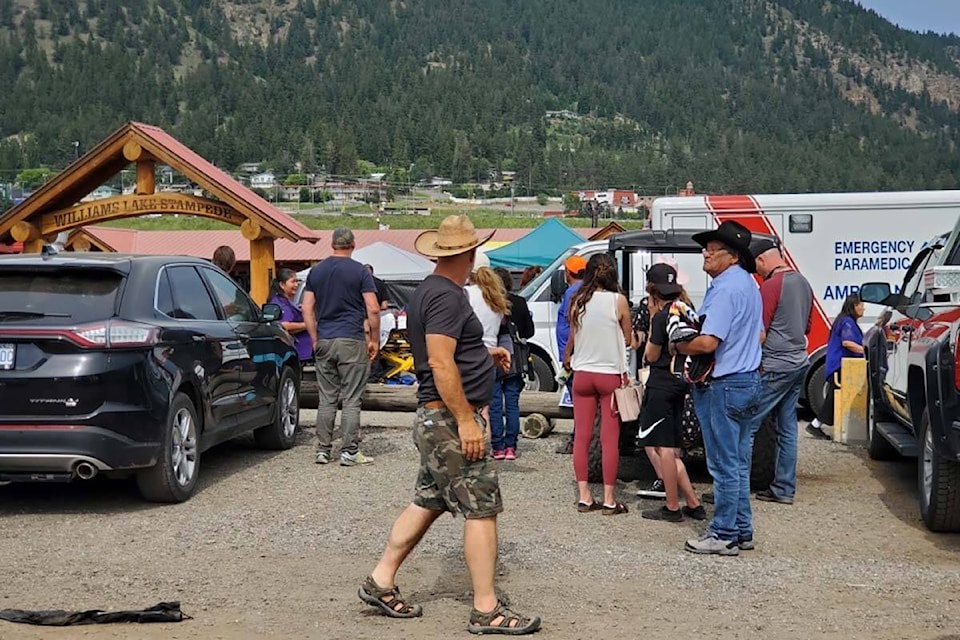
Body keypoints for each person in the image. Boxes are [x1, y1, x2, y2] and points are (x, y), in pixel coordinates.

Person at [359, 215, 541, 635]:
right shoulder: (445, 296)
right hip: (448, 417)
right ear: (469, 252)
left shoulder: (438, 291)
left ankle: (381, 579)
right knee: (482, 510)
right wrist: (467, 420)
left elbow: (449, 351)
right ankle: (486, 608)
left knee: (428, 500)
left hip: (437, 416)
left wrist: (483, 354)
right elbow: (440, 361)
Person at [677, 221, 763, 556]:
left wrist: (679, 346)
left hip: (724, 383)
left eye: (713, 250)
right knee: (738, 461)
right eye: (706, 248)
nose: (706, 254)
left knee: (723, 464)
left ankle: (724, 532)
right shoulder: (747, 284)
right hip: (746, 379)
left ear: (733, 257)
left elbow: (709, 342)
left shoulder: (726, 289)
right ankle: (741, 529)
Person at [302, 227, 381, 467]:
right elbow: (374, 308)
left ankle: (323, 450)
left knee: (326, 398)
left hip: (325, 338)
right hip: (351, 338)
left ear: (332, 244)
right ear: (353, 245)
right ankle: (349, 451)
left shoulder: (317, 271)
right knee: (351, 398)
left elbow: (307, 308)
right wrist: (374, 339)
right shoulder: (360, 271)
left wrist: (315, 338)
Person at [564, 253, 632, 515]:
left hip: (582, 374)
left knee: (582, 436)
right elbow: (627, 339)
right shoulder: (618, 301)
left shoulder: (578, 300)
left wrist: (568, 356)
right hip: (609, 375)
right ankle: (609, 499)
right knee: (609, 438)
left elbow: (573, 336)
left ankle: (584, 496)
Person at [638, 263, 706, 522]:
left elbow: (651, 354)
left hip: (660, 384)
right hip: (682, 383)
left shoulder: (661, 316)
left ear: (652, 290)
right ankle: (693, 502)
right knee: (673, 448)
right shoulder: (687, 312)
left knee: (663, 448)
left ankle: (672, 506)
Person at [749, 238, 815, 505]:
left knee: (746, 425)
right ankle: (783, 488)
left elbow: (759, 333)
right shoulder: (803, 282)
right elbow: (808, 327)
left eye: (756, 267)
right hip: (799, 362)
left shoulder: (771, 286)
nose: (756, 272)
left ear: (763, 259)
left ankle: (733, 489)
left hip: (775, 365)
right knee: (788, 428)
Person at [491, 266, 535, 460]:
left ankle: (497, 446)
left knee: (494, 402)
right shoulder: (519, 302)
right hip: (513, 356)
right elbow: (529, 331)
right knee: (511, 402)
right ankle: (511, 447)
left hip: (491, 354)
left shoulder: (489, 303)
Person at [808, 294, 865, 439]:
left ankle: (817, 424)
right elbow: (847, 342)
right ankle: (816, 424)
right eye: (861, 305)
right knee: (834, 398)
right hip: (842, 365)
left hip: (839, 364)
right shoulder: (847, 322)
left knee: (834, 397)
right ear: (854, 306)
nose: (864, 308)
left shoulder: (844, 320)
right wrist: (865, 351)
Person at [555, 254, 586, 454]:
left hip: (572, 352)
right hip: (576, 351)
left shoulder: (572, 292)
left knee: (578, 398)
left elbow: (572, 324)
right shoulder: (583, 290)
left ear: (569, 272)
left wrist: (567, 354)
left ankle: (578, 438)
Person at [267, 267, 312, 364]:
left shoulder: (287, 302)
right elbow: (284, 326)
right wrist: (308, 324)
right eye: (293, 282)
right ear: (282, 284)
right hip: (294, 350)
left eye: (297, 281)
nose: (296, 285)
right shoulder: (279, 303)